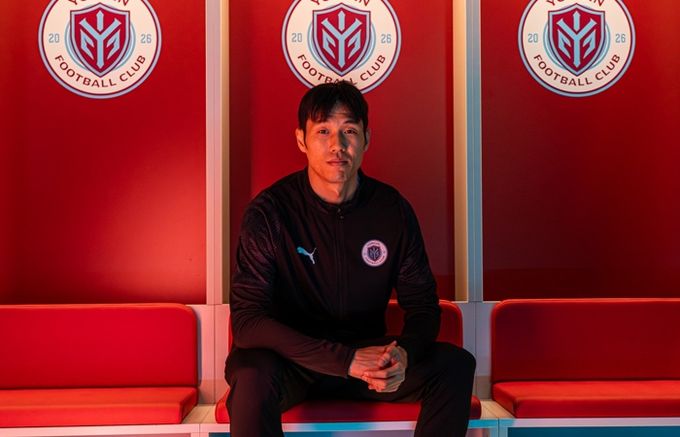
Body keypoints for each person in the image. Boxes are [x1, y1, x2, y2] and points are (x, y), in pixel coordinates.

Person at [225, 81, 476, 437]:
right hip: (291, 361)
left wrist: (403, 354)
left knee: (455, 365)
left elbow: (423, 307)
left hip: (366, 360)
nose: (337, 145)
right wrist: (343, 360)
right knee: (251, 375)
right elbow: (248, 321)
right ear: (301, 140)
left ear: (366, 139)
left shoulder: (391, 210)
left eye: (349, 131)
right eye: (323, 131)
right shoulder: (270, 212)